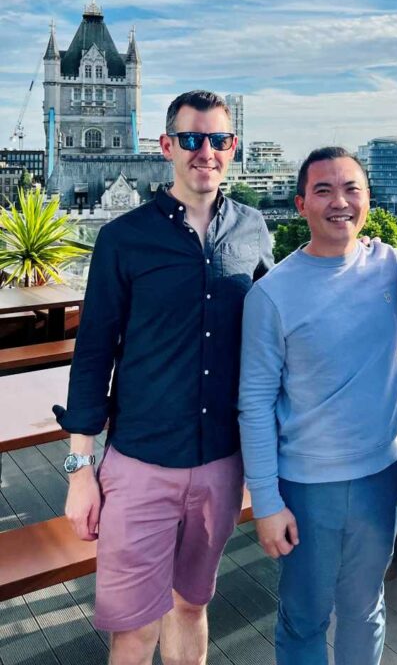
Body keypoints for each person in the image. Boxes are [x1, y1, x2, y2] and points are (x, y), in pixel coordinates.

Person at [54, 90, 273, 665]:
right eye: (193, 139)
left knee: (191, 607)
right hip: (141, 466)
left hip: (221, 465)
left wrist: (366, 254)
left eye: (219, 140)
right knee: (132, 632)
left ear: (232, 147)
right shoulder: (124, 238)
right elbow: (93, 352)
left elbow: (283, 319)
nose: (207, 152)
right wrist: (81, 470)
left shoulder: (253, 230)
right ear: (168, 146)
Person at [238, 146, 397, 665]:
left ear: (369, 200)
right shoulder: (271, 294)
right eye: (324, 190)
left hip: (382, 477)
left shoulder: (393, 267)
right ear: (301, 205)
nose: (340, 202)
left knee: (365, 609)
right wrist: (265, 502)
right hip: (307, 487)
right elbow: (254, 403)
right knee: (303, 616)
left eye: (352, 189)